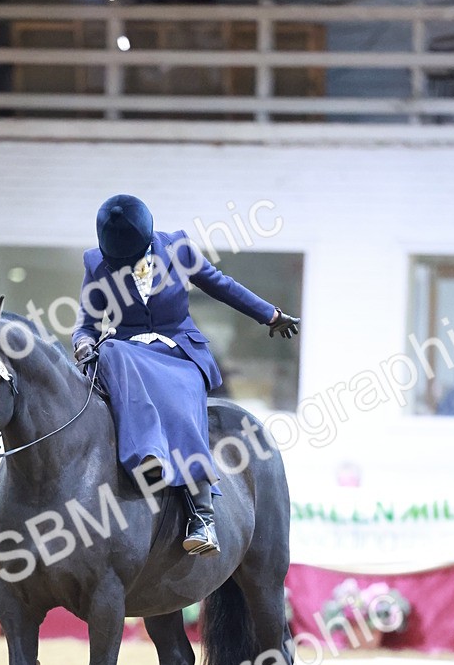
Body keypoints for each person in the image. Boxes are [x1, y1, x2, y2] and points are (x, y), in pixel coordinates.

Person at [72, 193, 299, 556]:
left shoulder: (178, 248)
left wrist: (269, 315)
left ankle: (202, 513)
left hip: (180, 351)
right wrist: (83, 344)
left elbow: (221, 285)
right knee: (111, 349)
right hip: (130, 356)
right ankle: (147, 458)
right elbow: (85, 324)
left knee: (177, 397)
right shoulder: (96, 262)